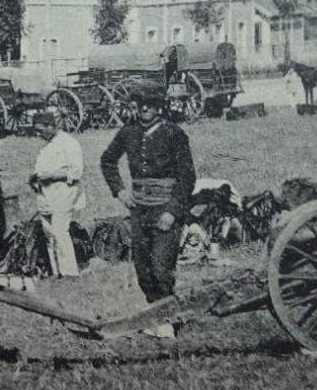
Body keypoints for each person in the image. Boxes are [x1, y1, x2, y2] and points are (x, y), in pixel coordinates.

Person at [99, 86, 196, 337]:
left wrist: (173, 212)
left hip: (165, 209)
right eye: (140, 104)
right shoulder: (128, 132)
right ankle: (156, 316)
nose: (144, 108)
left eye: (150, 104)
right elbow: (107, 160)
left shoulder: (174, 134)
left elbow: (187, 177)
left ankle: (166, 322)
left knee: (161, 268)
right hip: (139, 211)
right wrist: (120, 190)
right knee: (143, 269)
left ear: (160, 106)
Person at [27, 108, 86, 277]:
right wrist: (34, 179)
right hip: (45, 193)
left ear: (51, 125)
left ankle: (70, 273)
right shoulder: (48, 146)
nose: (38, 135)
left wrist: (50, 175)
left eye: (40, 130)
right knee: (49, 234)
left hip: (64, 191)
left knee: (60, 231)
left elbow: (76, 172)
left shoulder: (69, 143)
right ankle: (56, 272)